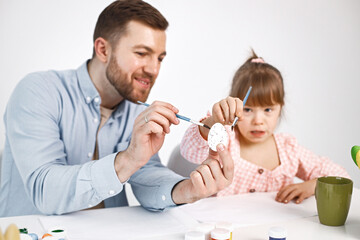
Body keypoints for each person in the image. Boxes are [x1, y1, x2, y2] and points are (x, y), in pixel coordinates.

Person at [0, 0, 234, 217]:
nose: (153, 69)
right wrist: (128, 160)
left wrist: (188, 189)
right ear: (103, 50)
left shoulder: (137, 109)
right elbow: (45, 191)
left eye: (160, 58)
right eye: (142, 53)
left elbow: (147, 175)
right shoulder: (38, 92)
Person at [180, 50, 350, 204]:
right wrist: (213, 123)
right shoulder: (225, 139)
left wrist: (313, 186)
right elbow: (189, 151)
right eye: (247, 109)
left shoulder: (288, 149)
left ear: (280, 108)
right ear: (235, 107)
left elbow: (340, 176)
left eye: (268, 109)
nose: (258, 120)